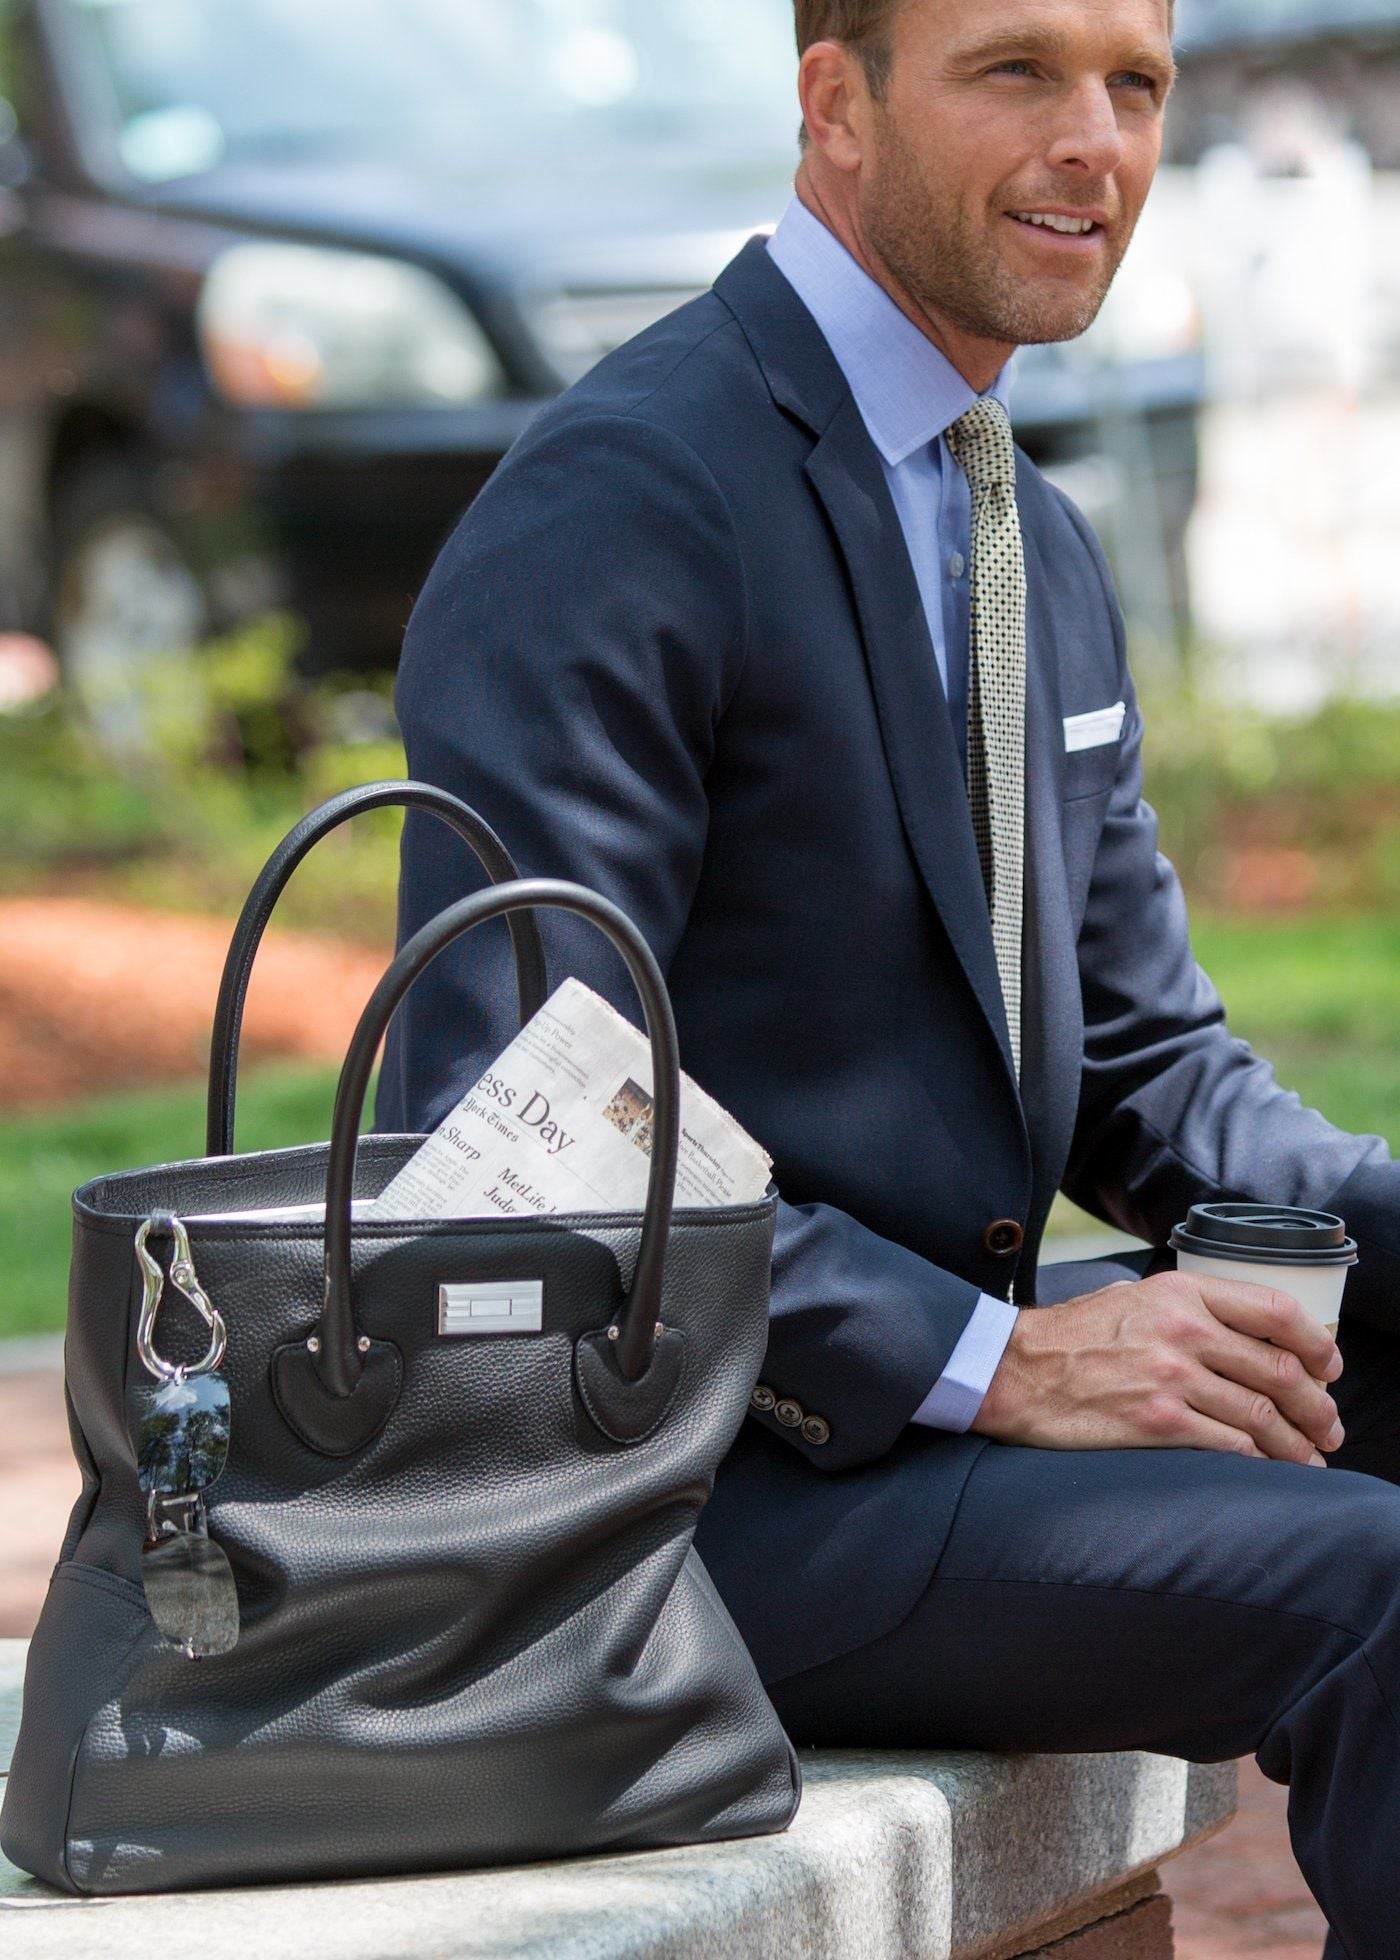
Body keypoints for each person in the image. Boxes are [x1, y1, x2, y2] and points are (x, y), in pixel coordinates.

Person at [378, 3, 1400, 1948]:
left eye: (1136, 82)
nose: (1096, 138)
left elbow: (1143, 1062)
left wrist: (1360, 1231)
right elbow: (511, 1111)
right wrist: (1004, 1358)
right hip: (678, 1491)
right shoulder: (629, 495)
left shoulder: (1029, 523)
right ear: (833, 105)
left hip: (940, 1410)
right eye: (1016, 69)